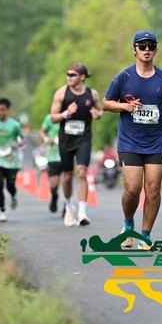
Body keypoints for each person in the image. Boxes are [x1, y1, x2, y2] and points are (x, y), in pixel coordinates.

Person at [102, 31, 162, 250]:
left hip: (156, 141)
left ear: (156, 50)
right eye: (142, 46)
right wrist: (125, 106)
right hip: (130, 141)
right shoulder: (123, 77)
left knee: (153, 189)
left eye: (150, 46)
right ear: (134, 50)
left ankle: (145, 236)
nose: (146, 50)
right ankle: (128, 225)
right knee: (133, 190)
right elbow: (106, 103)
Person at [50, 63, 103, 227]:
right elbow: (53, 118)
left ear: (82, 77)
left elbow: (100, 111)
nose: (69, 77)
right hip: (66, 139)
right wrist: (66, 113)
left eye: (72, 75)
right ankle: (69, 207)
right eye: (68, 74)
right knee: (67, 176)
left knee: (81, 172)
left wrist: (97, 114)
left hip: (83, 139)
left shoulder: (92, 94)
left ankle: (82, 212)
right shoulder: (61, 93)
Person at [39, 113, 63, 213]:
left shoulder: (72, 115)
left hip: (68, 154)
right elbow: (42, 131)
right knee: (54, 184)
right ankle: (54, 196)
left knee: (67, 180)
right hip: (53, 156)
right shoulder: (50, 117)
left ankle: (67, 205)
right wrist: (47, 139)